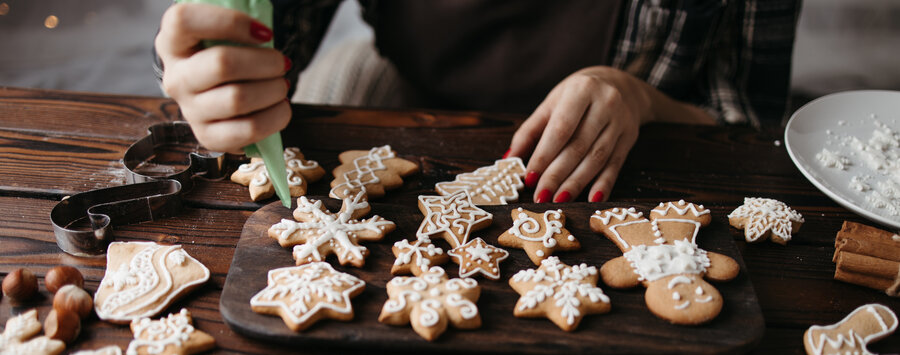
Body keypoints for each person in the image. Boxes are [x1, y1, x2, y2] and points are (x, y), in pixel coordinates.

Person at [154, 0, 800, 203]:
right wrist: (210, 71)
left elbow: (746, 128)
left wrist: (635, 97)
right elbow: (264, 29)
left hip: (651, 124)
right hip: (412, 84)